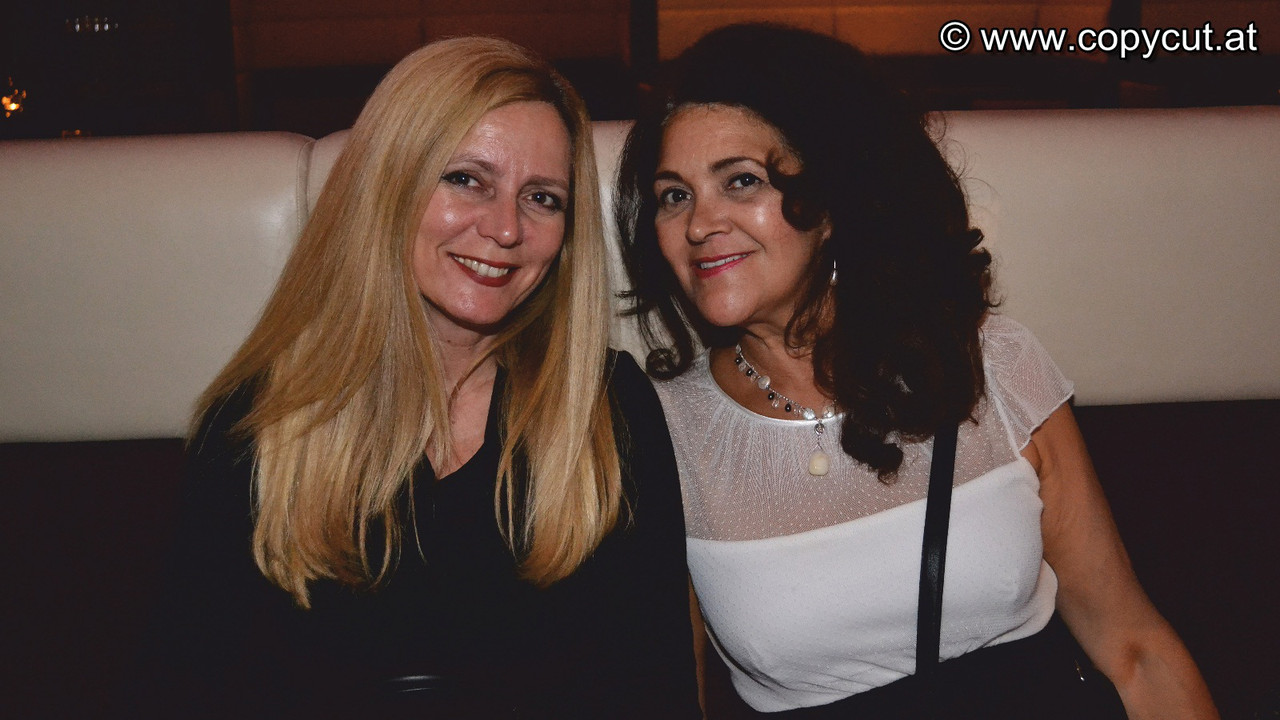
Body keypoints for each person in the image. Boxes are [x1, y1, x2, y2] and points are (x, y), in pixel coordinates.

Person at [616, 23, 1218, 719]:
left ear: (832, 202)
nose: (699, 224)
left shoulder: (989, 366)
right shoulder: (663, 428)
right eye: (674, 195)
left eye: (741, 181)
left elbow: (1134, 649)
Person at [137, 37, 700, 719]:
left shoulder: (607, 410)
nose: (506, 229)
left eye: (542, 198)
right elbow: (182, 689)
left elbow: (657, 692)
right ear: (389, 185)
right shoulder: (256, 427)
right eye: (466, 180)